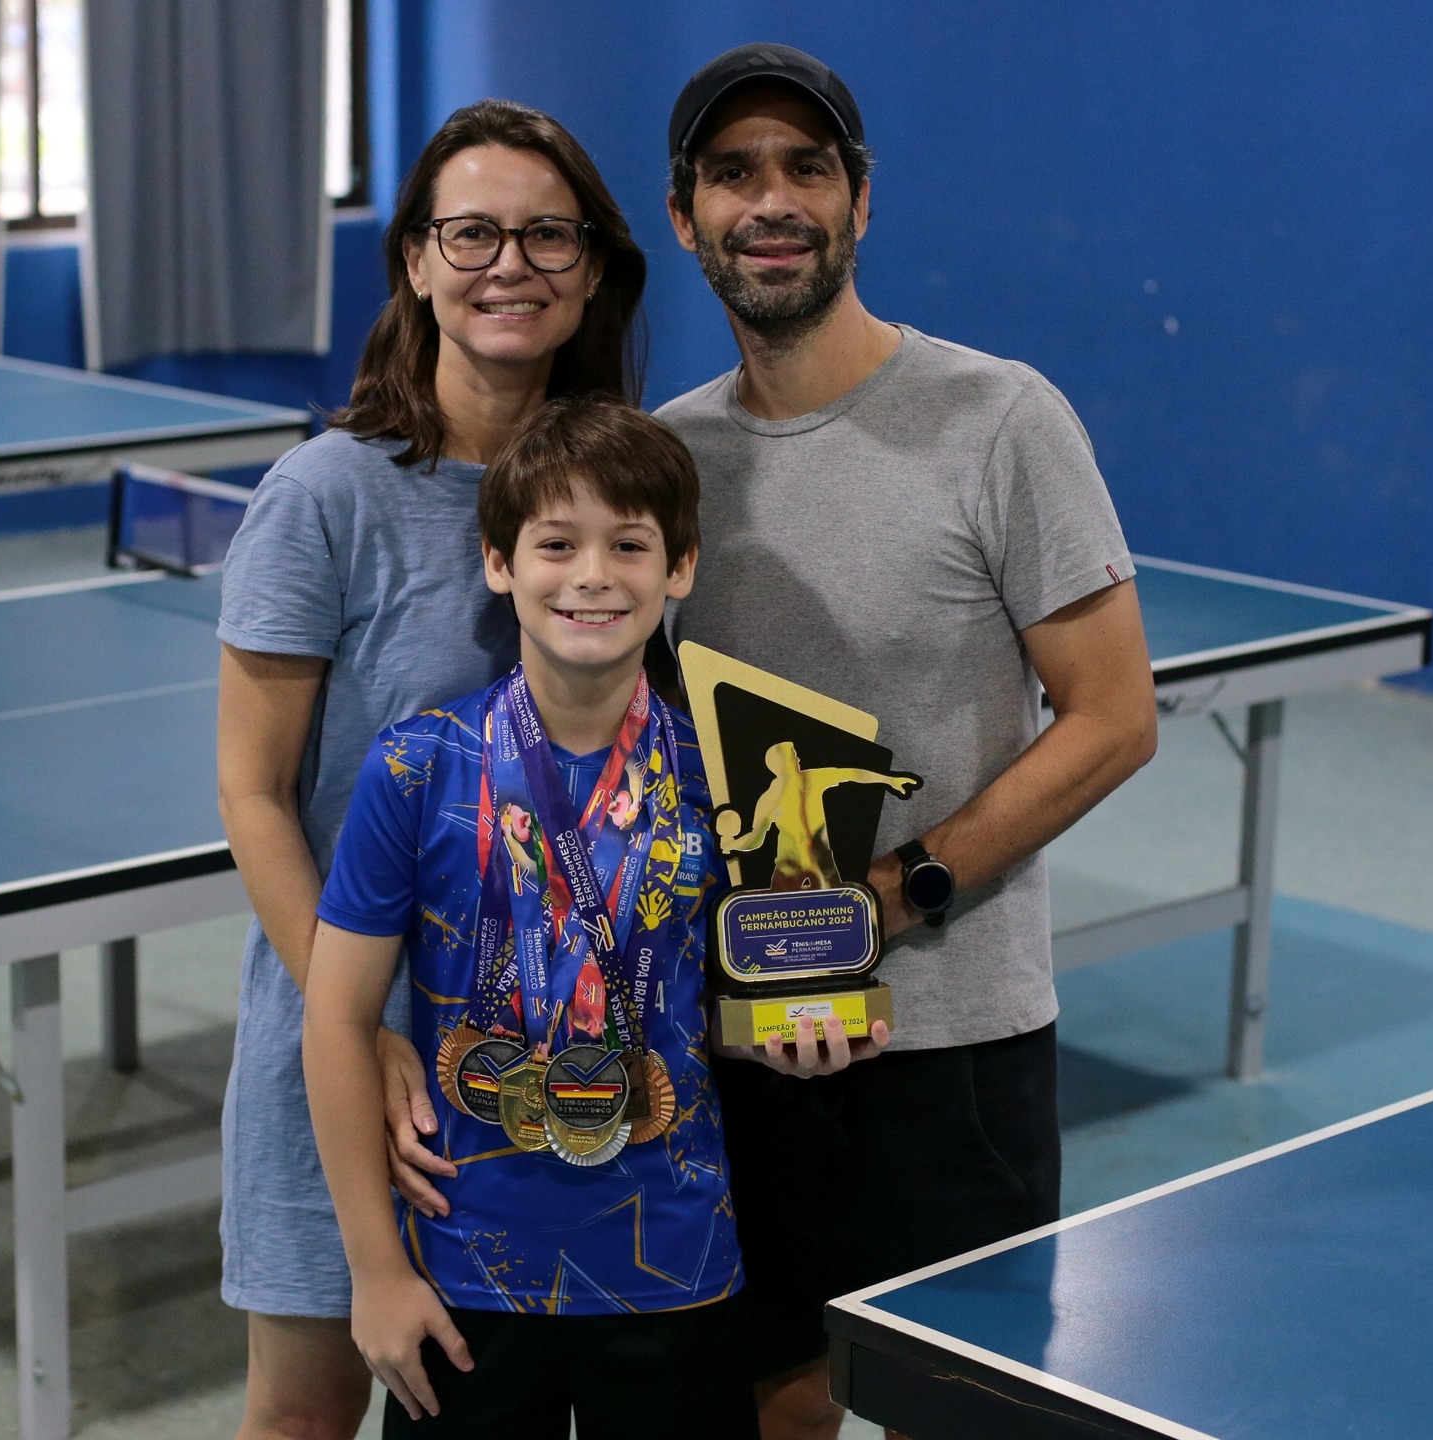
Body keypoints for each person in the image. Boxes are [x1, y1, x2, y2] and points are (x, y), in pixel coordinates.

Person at [656, 42, 1161, 1440]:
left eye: (805, 169)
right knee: (772, 1400)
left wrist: (900, 893)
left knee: (970, 1413)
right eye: (734, 173)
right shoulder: (660, 459)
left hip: (953, 1041)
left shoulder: (1000, 419)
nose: (772, 202)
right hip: (734, 1040)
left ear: (859, 201)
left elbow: (1116, 718)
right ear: (684, 211)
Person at [214, 100, 648, 1439]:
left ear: (589, 271)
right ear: (414, 259)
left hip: (552, 1044)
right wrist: (364, 1029)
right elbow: (252, 792)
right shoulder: (327, 495)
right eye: (471, 233)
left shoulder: (614, 494)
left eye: (544, 235)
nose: (507, 264)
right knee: (307, 1408)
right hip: (354, 1033)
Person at [303, 396, 753, 1438]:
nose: (591, 574)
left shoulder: (715, 771)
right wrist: (375, 1272)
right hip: (465, 1270)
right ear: (499, 562)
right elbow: (333, 1022)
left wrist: (800, 1034)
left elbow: (734, 999)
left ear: (679, 566)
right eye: (556, 543)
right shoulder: (418, 764)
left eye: (628, 544)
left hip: (671, 1260)